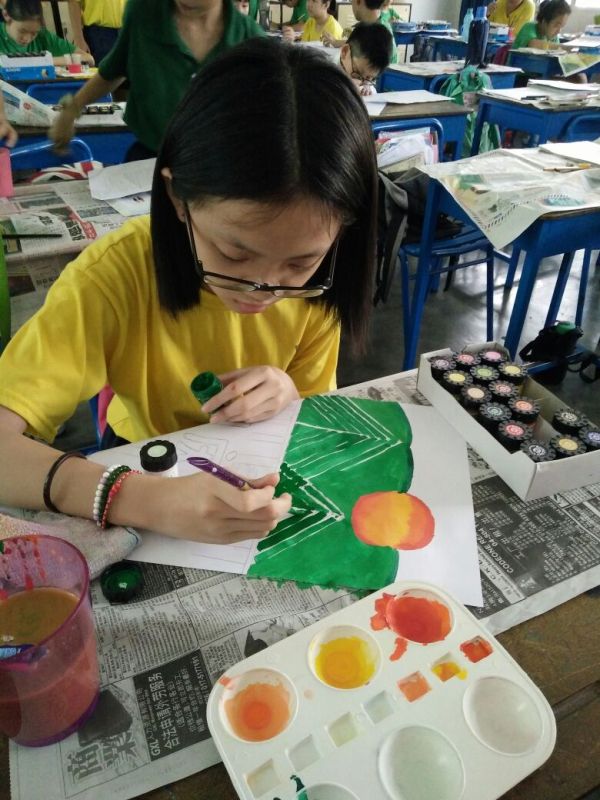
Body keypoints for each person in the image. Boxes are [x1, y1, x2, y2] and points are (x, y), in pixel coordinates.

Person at [0, 38, 378, 547]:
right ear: (179, 198)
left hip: (257, 457)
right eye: (234, 254)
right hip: (144, 455)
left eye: (299, 263)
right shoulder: (117, 274)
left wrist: (289, 392)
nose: (263, 291)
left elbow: (314, 406)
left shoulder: (322, 280)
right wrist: (139, 499)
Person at [50, 0, 264, 162]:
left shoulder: (248, 39)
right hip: (150, 159)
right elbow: (115, 68)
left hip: (217, 165)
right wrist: (72, 109)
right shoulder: (145, 12)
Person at [0, 0, 94, 64]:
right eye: (22, 31)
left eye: (34, 33)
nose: (27, 39)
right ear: (6, 15)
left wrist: (44, 60)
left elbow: (88, 59)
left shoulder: (43, 36)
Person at [322, 0, 397, 63]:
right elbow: (360, 42)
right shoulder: (376, 26)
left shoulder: (379, 34)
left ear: (358, 1)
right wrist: (336, 42)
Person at [337, 22, 392, 95]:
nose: (360, 82)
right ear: (345, 52)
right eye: (357, 74)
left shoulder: (366, 80)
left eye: (369, 78)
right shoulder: (326, 71)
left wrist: (367, 84)